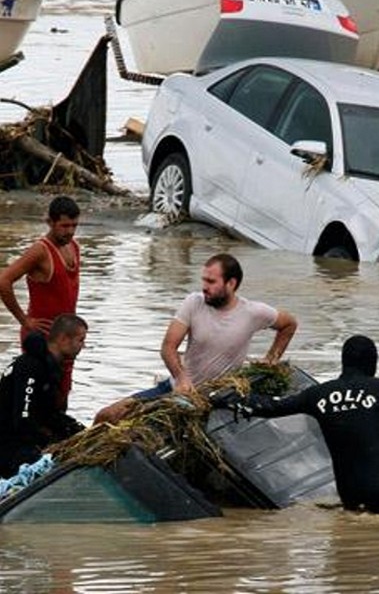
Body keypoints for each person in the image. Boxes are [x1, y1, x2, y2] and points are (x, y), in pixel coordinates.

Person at [212, 335, 379, 516]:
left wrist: (225, 401)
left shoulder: (318, 395)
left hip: (352, 494)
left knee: (351, 556)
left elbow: (270, 407)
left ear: (344, 362)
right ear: (373, 364)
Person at [93, 253, 297, 424]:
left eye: (211, 281)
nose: (204, 287)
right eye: (203, 280)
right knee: (106, 415)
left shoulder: (253, 312)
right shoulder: (193, 302)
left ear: (231, 283)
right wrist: (181, 378)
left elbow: (289, 325)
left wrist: (271, 359)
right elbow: (168, 347)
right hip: (176, 389)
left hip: (215, 400)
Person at [0, 196, 82, 410]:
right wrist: (24, 320)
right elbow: (4, 281)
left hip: (66, 337)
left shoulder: (73, 246)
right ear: (51, 223)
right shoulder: (40, 251)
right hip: (41, 337)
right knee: (37, 399)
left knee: (63, 393)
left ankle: (61, 442)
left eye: (74, 225)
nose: (70, 231)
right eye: (64, 226)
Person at [0, 314, 88, 478]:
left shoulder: (50, 367)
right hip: (7, 443)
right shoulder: (31, 366)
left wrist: (79, 432)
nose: (83, 346)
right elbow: (22, 418)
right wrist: (51, 444)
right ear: (63, 339)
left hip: (17, 437)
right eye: (81, 340)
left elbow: (48, 414)